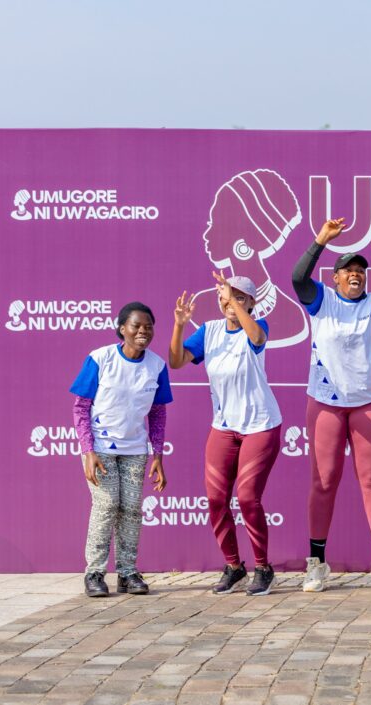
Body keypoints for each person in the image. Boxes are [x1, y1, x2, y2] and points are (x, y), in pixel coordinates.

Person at [291, 217, 371, 592]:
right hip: (326, 403)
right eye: (348, 271)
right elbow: (297, 278)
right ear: (336, 279)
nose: (356, 274)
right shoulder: (322, 300)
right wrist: (321, 240)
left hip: (367, 403)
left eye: (361, 270)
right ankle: (317, 565)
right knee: (324, 481)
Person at [170, 274, 283, 596]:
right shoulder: (209, 331)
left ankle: (263, 568)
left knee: (247, 498)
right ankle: (234, 567)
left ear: (252, 302)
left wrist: (233, 299)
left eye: (239, 296)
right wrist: (179, 325)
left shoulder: (258, 327)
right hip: (223, 427)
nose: (230, 302)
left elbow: (256, 337)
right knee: (216, 499)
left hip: (260, 425)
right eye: (226, 296)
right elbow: (176, 362)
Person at [71, 302, 171, 598]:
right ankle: (94, 573)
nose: (143, 332)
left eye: (148, 327)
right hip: (100, 448)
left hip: (135, 450)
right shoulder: (100, 358)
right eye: (136, 326)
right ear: (121, 328)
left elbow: (158, 413)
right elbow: (81, 407)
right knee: (106, 506)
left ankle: (128, 572)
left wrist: (158, 455)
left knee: (131, 510)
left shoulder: (157, 366)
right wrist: (88, 450)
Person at [192, 169, 308, 347]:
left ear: (243, 245)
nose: (206, 234)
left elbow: (257, 338)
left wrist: (231, 300)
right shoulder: (201, 304)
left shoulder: (292, 316)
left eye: (214, 224)